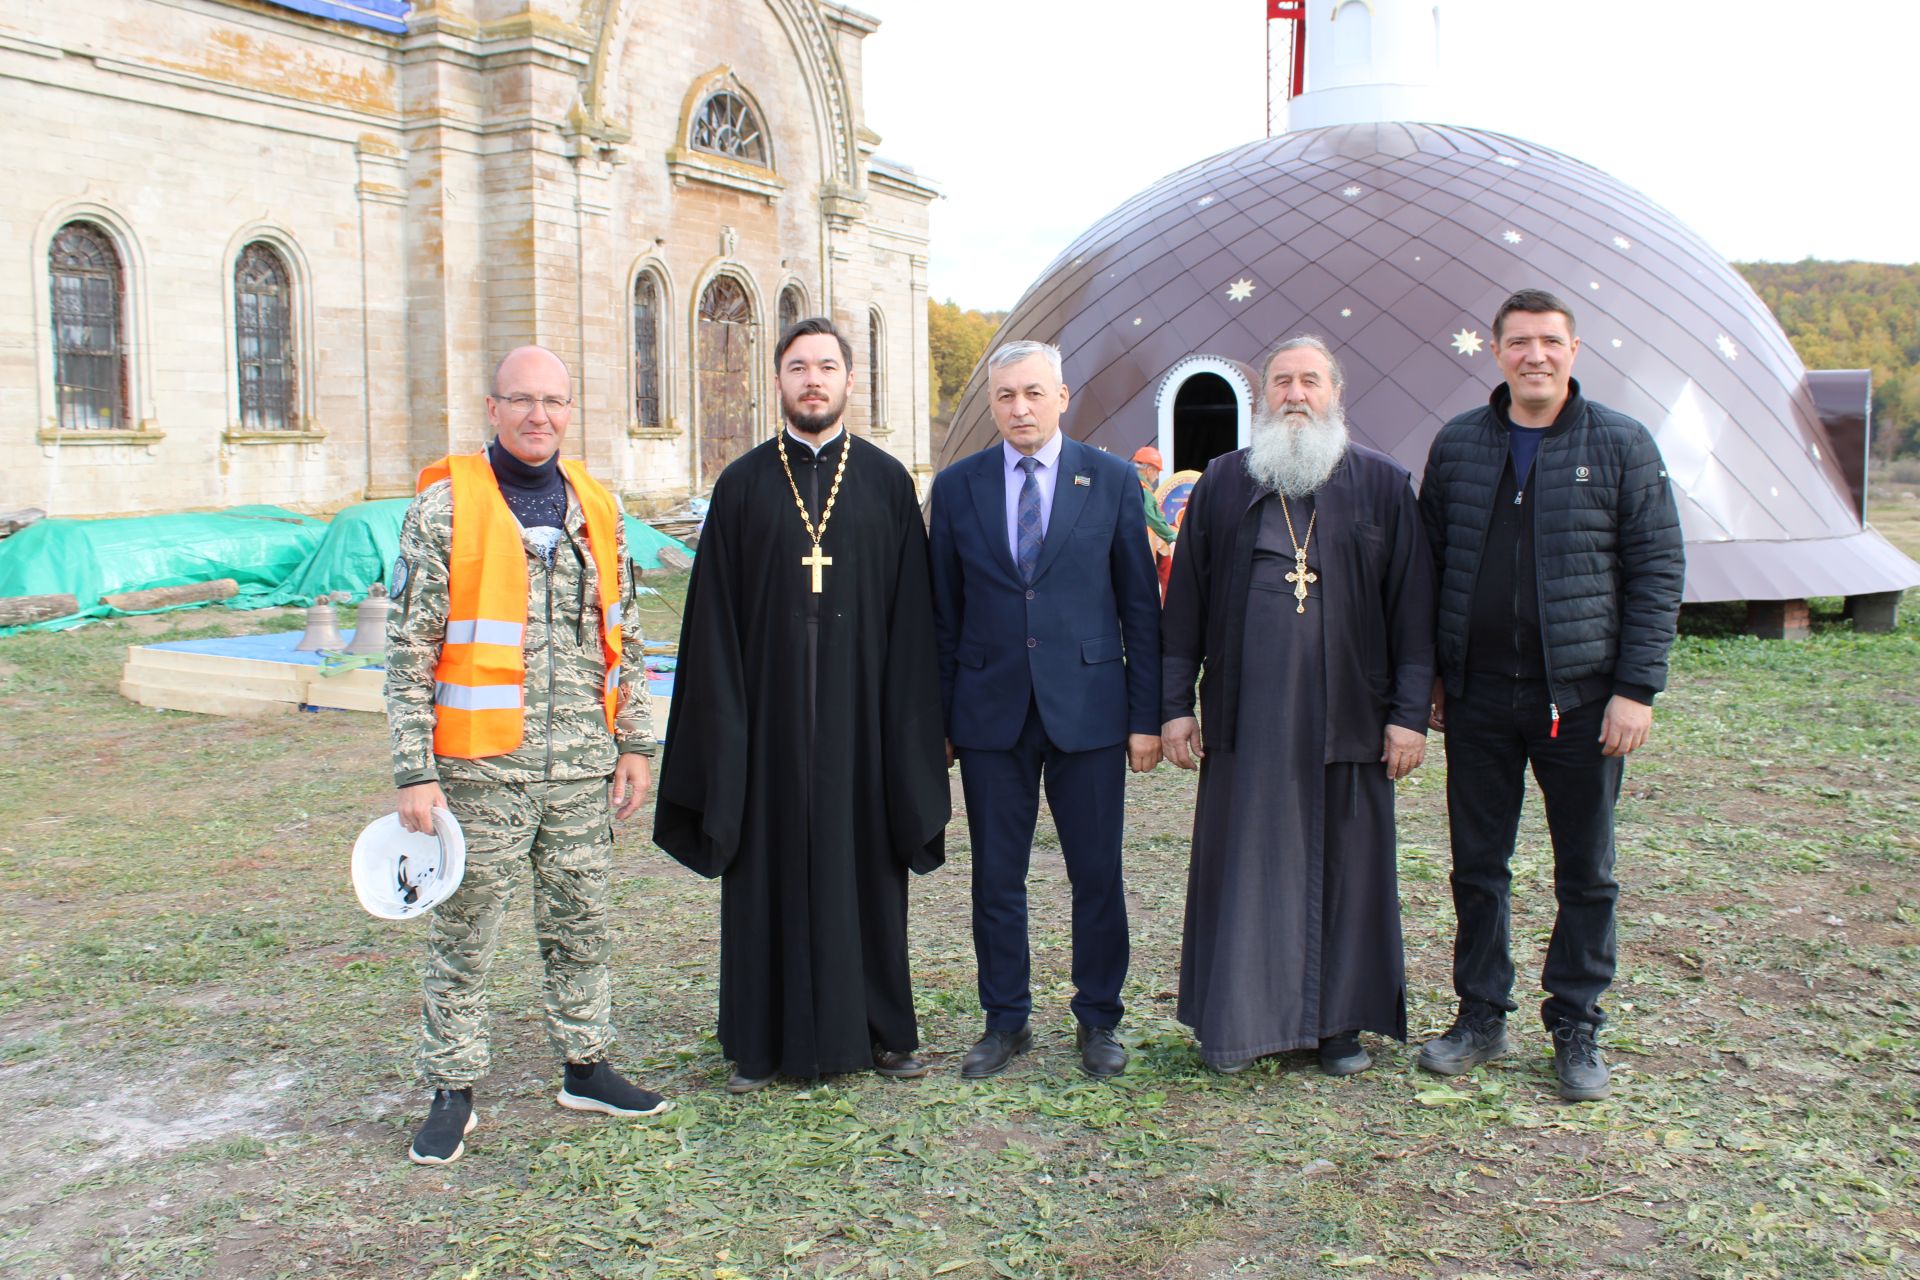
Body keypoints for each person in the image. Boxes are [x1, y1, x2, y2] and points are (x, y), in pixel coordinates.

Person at [386, 345, 667, 1167]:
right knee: (465, 932)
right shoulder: (443, 511)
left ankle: (587, 1066)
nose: (537, 415)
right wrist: (415, 771)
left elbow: (630, 639)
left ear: (569, 411)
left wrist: (634, 744)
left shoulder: (597, 508)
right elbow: (408, 654)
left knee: (582, 923)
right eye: (521, 400)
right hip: (479, 771)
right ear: (491, 407)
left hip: (581, 764)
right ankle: (452, 1090)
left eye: (553, 401)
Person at [653, 317, 950, 1093]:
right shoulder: (744, 484)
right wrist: (723, 730)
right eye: (797, 368)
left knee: (868, 871)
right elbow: (711, 620)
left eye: (826, 367)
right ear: (778, 382)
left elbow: (913, 620)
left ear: (851, 381)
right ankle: (760, 1038)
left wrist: (913, 730)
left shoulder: (887, 484)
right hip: (767, 723)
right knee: (765, 866)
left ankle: (884, 1031)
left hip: (862, 724)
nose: (812, 380)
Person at [1417, 289, 1683, 1101]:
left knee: (1586, 871)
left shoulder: (1621, 444)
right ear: (1494, 351)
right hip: (1479, 697)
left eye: (1550, 342)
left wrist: (1636, 688)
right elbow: (1427, 568)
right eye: (1520, 342)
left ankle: (1576, 1023)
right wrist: (1430, 673)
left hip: (1584, 699)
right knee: (1478, 866)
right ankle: (1480, 1014)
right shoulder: (1460, 444)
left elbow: (1656, 570)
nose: (1535, 355)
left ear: (1575, 350)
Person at [1160, 335, 1435, 1076]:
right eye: (1281, 381)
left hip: (1350, 714)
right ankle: (1243, 1021)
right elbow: (1183, 605)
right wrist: (1175, 704)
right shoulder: (1222, 483)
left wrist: (1409, 714)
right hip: (1249, 719)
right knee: (1247, 864)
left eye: (1310, 380)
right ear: (1263, 398)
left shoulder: (1381, 484)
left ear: (1335, 394)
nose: (1295, 393)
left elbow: (1413, 614)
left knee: (1347, 868)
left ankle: (1339, 1026)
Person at [928, 340, 1162, 1080]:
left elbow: (1139, 609)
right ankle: (1006, 1021)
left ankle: (1099, 1019)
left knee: (1096, 873)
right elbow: (942, 614)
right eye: (1005, 396)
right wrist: (938, 718)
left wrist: (1147, 716)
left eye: (1033, 393)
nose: (1019, 408)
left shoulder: (1114, 481)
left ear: (1062, 397)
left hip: (1089, 710)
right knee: (996, 876)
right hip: (990, 710)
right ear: (991, 403)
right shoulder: (959, 487)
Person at [1132, 445, 1179, 599]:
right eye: (1157, 472)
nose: (1157, 477)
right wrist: (1175, 537)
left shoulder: (1128, 485)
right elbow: (1156, 522)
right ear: (1149, 469)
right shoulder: (1144, 492)